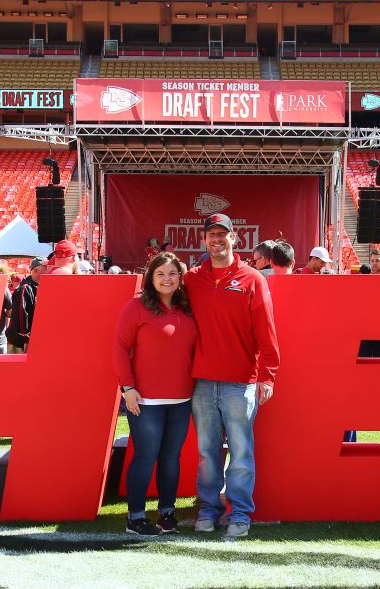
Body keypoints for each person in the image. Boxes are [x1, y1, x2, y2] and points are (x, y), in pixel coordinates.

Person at [182, 213, 280, 539]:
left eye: (222, 234)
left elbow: (267, 333)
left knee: (240, 451)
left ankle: (239, 514)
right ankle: (208, 510)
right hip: (203, 382)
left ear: (233, 238)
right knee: (208, 453)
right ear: (204, 239)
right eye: (211, 234)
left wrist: (267, 376)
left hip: (241, 381)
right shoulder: (192, 279)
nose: (217, 239)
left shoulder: (253, 279)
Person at [113, 252, 198, 536]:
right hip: (146, 401)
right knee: (145, 457)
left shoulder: (188, 309)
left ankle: (167, 513)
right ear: (151, 277)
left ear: (180, 277)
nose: (167, 279)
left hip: (182, 400)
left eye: (172, 273)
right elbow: (119, 349)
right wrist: (128, 388)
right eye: (161, 273)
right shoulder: (136, 307)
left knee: (171, 458)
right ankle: (135, 518)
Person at [6, 258, 44, 353]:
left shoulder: (38, 286)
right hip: (22, 344)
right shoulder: (26, 288)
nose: (49, 270)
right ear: (35, 270)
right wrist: (25, 340)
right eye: (46, 268)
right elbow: (22, 316)